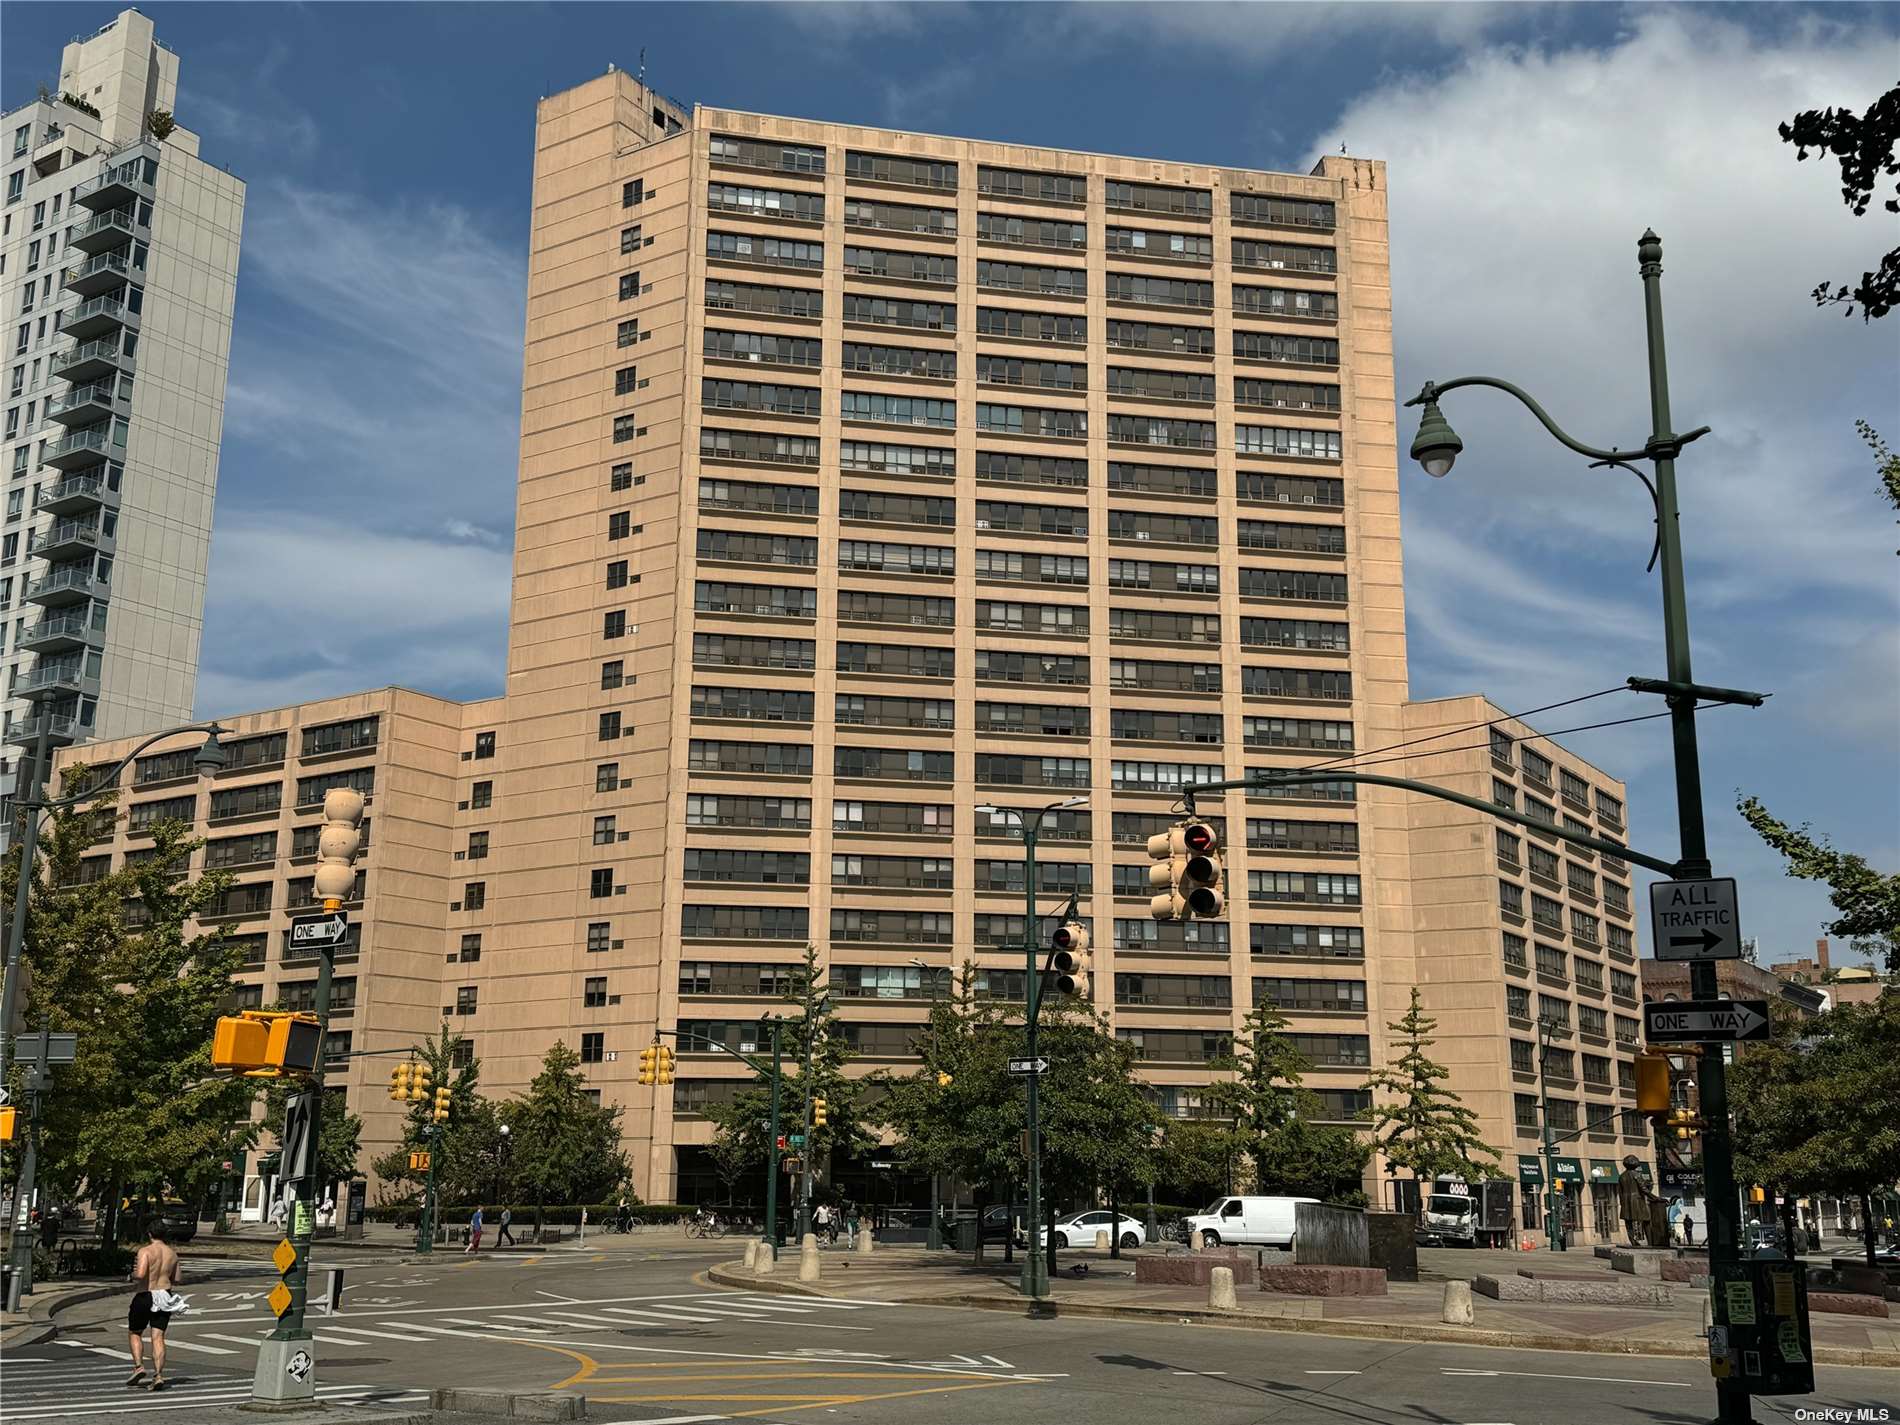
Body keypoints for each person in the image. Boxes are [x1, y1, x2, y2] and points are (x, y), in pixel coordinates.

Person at [126, 1219, 180, 1391]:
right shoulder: (172, 1254)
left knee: (135, 1332)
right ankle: (158, 1375)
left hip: (146, 1294)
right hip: (164, 1294)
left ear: (149, 1234)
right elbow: (177, 1278)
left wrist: (130, 1275)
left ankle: (139, 1366)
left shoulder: (145, 1251)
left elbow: (141, 1274)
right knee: (158, 1336)